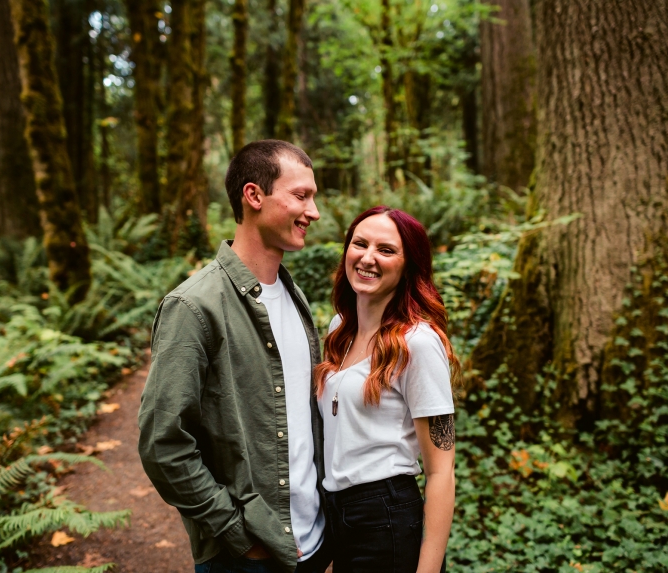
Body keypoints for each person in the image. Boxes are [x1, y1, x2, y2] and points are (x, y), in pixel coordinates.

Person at [138, 140, 331, 573]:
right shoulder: (193, 307)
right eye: (301, 196)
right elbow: (162, 442)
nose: (314, 212)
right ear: (254, 196)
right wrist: (236, 533)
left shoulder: (294, 295)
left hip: (312, 543)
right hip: (248, 556)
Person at [314, 205, 459, 573]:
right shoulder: (339, 330)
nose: (368, 258)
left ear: (409, 266)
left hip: (386, 515)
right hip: (338, 516)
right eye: (359, 244)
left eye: (386, 250)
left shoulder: (417, 343)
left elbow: (441, 472)